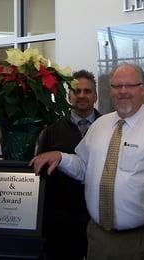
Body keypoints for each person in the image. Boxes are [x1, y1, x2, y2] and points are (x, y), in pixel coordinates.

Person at [31, 63, 144, 260]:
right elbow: (84, 166)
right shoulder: (100, 125)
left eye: (129, 85)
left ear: (142, 89)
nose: (122, 91)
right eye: (116, 86)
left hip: (143, 239)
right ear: (109, 90)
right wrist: (61, 157)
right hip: (98, 237)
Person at [37, 69, 102, 260]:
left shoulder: (109, 127)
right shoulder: (51, 131)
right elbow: (42, 179)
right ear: (69, 96)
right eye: (76, 91)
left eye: (87, 91)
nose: (81, 95)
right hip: (62, 223)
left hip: (98, 220)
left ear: (95, 95)